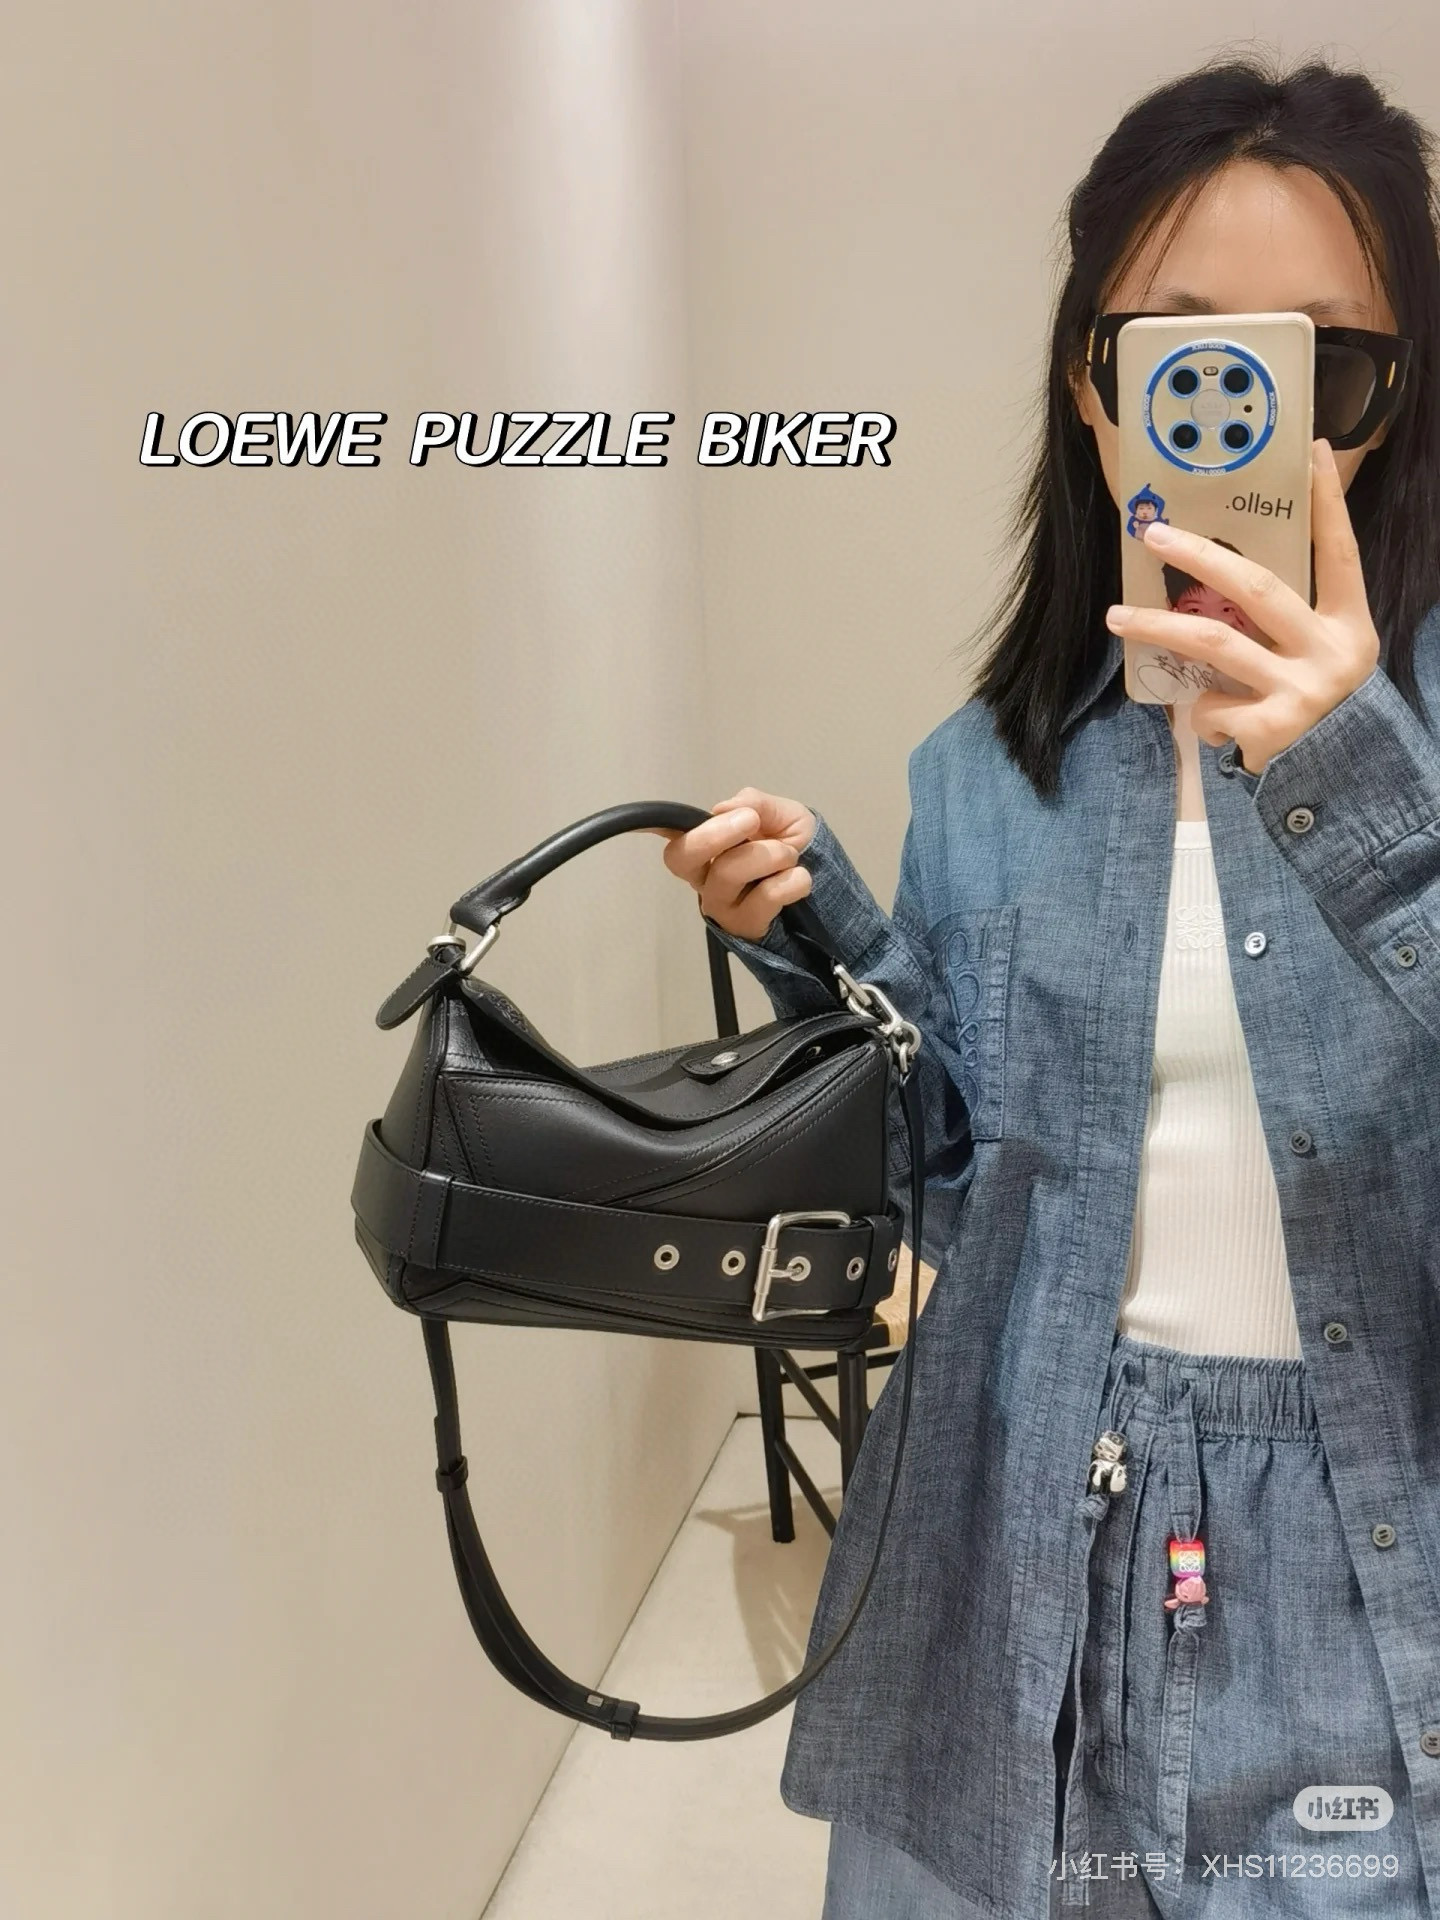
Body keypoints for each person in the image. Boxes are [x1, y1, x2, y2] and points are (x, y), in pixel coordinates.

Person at [654, 50, 1440, 1920]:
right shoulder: (984, 774)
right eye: (1181, 352)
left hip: (1366, 1552)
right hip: (1022, 1524)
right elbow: (958, 1182)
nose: (1246, 414)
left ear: (1391, 404)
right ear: (1094, 392)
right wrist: (822, 947)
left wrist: (1358, 790)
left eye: (1317, 365)